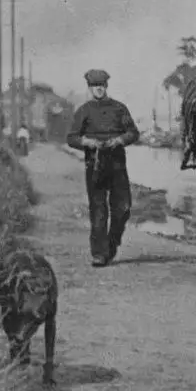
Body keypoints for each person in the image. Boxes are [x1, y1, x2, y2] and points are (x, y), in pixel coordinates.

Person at [66, 69, 140, 267]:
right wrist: (87, 142)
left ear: (106, 86)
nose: (98, 89)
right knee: (98, 211)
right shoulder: (84, 110)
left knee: (123, 208)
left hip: (117, 163)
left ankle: (111, 245)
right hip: (95, 164)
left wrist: (120, 139)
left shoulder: (119, 108)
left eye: (101, 85)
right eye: (94, 86)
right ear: (89, 88)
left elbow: (133, 132)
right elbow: (71, 138)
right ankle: (99, 253)